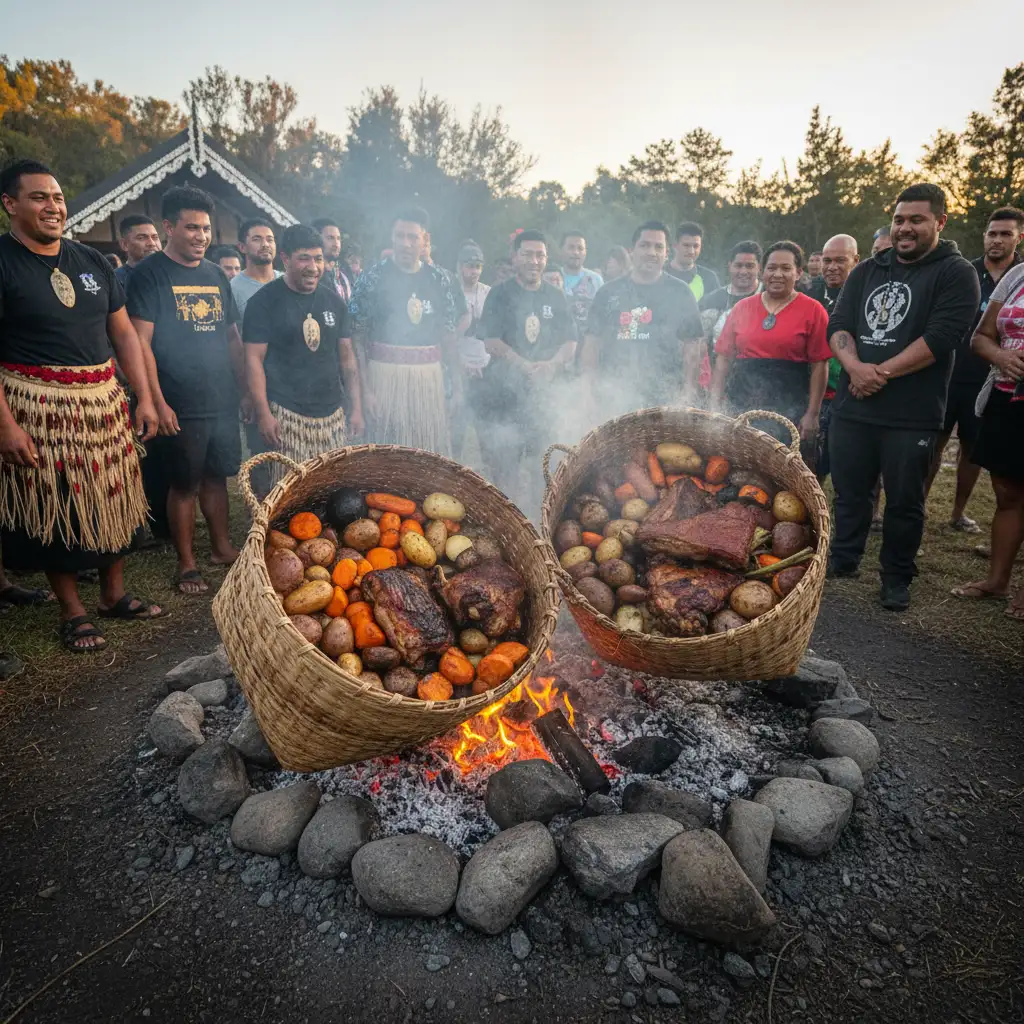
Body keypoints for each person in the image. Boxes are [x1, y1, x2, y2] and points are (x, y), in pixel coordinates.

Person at [0, 159, 162, 652]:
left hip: (101, 403)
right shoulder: (3, 261)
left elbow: (124, 334)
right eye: (38, 197)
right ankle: (72, 610)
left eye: (57, 197)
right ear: (10, 204)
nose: (53, 206)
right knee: (60, 504)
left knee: (112, 496)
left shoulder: (91, 260)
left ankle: (113, 595)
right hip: (38, 407)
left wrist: (144, 396)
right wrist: (5, 425)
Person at [826, 183, 980, 611]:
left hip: (912, 414)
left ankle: (896, 577)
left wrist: (880, 373)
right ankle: (843, 558)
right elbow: (839, 324)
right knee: (850, 492)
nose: (905, 228)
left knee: (905, 502)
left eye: (916, 219)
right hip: (854, 405)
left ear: (940, 221)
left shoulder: (955, 272)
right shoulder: (867, 270)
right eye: (898, 220)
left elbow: (943, 337)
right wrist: (854, 367)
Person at [128, 185, 248, 595]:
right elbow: (140, 342)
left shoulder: (215, 274)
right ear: (169, 227)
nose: (201, 236)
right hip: (179, 399)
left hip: (220, 397)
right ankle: (186, 563)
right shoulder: (149, 274)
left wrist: (244, 389)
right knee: (184, 483)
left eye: (206, 229)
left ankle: (221, 547)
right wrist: (156, 401)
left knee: (217, 476)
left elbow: (232, 336)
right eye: (192, 227)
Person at [926, 206, 1024, 532]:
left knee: (971, 450)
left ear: (1019, 237)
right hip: (950, 374)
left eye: (1005, 234)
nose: (997, 240)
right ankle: (918, 508)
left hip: (991, 381)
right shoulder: (965, 272)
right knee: (933, 444)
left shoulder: (1018, 280)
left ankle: (958, 514)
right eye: (992, 233)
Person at [244, 224, 363, 492]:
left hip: (331, 415)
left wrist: (356, 407)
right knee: (287, 494)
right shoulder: (263, 303)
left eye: (318, 259)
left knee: (329, 492)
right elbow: (253, 360)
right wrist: (264, 413)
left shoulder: (334, 302)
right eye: (304, 259)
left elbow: (347, 358)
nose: (313, 267)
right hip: (287, 416)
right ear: (285, 259)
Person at [348, 207, 460, 455]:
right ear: (392, 237)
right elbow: (357, 338)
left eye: (412, 237)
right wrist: (366, 391)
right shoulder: (371, 278)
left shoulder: (438, 279)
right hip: (383, 377)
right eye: (400, 236)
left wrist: (457, 387)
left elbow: (448, 334)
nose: (405, 244)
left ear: (425, 240)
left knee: (427, 455)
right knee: (386, 455)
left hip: (428, 380)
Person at [478, 230, 576, 511]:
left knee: (542, 463)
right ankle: (507, 519)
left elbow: (571, 341)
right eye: (528, 254)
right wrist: (523, 364)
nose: (534, 261)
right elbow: (490, 341)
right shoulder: (499, 294)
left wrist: (551, 365)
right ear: (515, 257)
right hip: (504, 394)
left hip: (543, 396)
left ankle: (539, 516)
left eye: (540, 255)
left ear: (546, 259)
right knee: (504, 464)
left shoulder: (555, 296)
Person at [951, 260, 1024, 620]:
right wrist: (1001, 356)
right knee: (1007, 493)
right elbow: (980, 336)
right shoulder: (1017, 275)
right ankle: (998, 581)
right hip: (1007, 398)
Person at [709, 241, 830, 448]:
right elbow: (723, 359)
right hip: (741, 402)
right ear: (762, 271)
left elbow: (820, 365)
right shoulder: (742, 308)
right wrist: (715, 404)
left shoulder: (813, 310)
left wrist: (812, 414)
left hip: (791, 406)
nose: (777, 274)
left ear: (799, 273)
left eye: (786, 268)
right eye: (771, 268)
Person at [582, 220, 704, 420]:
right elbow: (592, 343)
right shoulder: (608, 292)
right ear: (632, 251)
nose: (651, 252)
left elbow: (692, 346)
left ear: (666, 253)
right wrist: (588, 391)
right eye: (645, 245)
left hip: (664, 397)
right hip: (613, 395)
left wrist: (688, 393)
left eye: (658, 247)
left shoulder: (681, 293)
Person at [814, 234, 860, 481]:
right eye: (827, 260)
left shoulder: (865, 296)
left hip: (852, 391)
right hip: (817, 392)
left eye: (840, 260)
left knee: (854, 464)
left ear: (856, 260)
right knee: (814, 460)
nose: (832, 267)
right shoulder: (809, 293)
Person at [230, 219, 280, 317]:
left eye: (270, 240)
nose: (265, 245)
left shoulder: (288, 281)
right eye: (257, 239)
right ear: (242, 247)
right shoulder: (233, 289)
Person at [559, 232, 603, 336]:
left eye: (580, 248)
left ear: (585, 252)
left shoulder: (595, 280)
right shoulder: (552, 277)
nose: (576, 252)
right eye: (571, 247)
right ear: (561, 250)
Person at [664, 222, 720, 301]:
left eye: (696, 246)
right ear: (675, 245)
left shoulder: (709, 278)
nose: (691, 251)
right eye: (686, 245)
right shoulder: (659, 274)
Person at [115, 214, 161, 289]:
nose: (152, 243)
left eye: (155, 237)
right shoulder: (114, 281)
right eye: (141, 238)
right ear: (125, 244)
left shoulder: (172, 274)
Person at [313, 218, 351, 303]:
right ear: (316, 239)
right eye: (330, 238)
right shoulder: (310, 275)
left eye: (338, 238)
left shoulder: (343, 277)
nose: (336, 244)